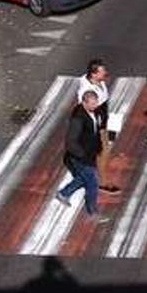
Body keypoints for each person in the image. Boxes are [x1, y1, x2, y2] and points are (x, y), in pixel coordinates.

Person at [53, 90, 110, 223]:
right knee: (93, 183)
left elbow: (94, 131)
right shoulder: (78, 118)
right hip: (80, 157)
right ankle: (92, 212)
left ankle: (64, 194)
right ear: (84, 102)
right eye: (92, 104)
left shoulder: (93, 112)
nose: (95, 106)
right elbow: (70, 142)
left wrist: (99, 147)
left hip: (89, 154)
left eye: (96, 103)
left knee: (83, 178)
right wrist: (82, 155)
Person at [77, 59, 120, 195]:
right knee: (103, 152)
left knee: (101, 150)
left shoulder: (97, 82)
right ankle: (102, 183)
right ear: (94, 74)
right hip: (96, 125)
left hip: (103, 121)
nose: (106, 73)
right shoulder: (87, 91)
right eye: (102, 72)